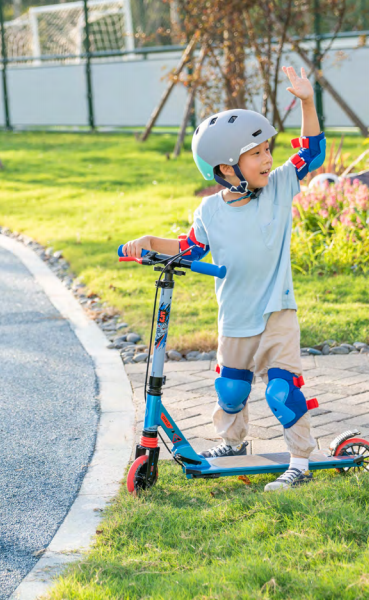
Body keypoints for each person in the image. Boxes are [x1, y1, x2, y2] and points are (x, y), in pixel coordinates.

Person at [121, 66, 325, 492]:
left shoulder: (280, 186)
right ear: (227, 168)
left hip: (276, 312)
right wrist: (146, 242)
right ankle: (232, 444)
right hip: (234, 316)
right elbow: (189, 247)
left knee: (281, 393)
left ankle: (300, 463)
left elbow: (312, 152)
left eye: (268, 149)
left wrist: (307, 101)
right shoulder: (209, 212)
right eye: (257, 153)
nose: (268, 158)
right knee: (230, 390)